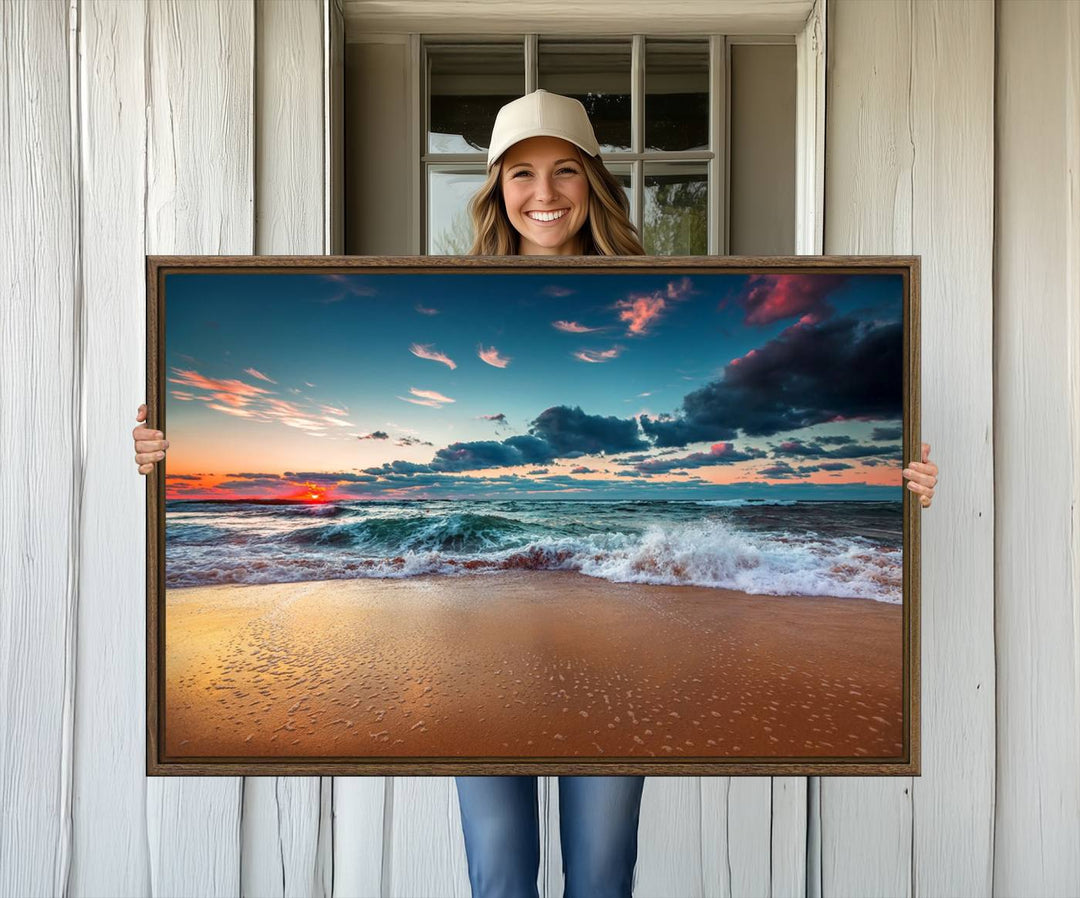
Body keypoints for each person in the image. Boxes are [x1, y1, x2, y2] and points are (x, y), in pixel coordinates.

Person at [131, 90, 940, 897]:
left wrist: (903, 479)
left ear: (593, 181)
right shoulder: (453, 302)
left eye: (564, 171)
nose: (544, 193)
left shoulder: (666, 289)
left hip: (617, 631)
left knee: (601, 873)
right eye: (521, 173)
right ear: (496, 188)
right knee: (500, 873)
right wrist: (167, 448)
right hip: (477, 622)